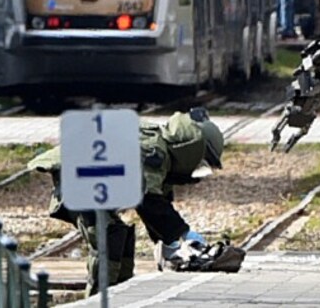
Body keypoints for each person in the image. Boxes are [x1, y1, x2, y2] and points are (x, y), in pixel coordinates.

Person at [28, 108, 240, 297]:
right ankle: (97, 300)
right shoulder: (153, 151)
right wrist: (182, 234)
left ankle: (120, 296)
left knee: (120, 236)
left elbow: (158, 206)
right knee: (108, 240)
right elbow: (149, 202)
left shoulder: (162, 153)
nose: (196, 173)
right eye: (201, 165)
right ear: (192, 148)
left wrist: (172, 244)